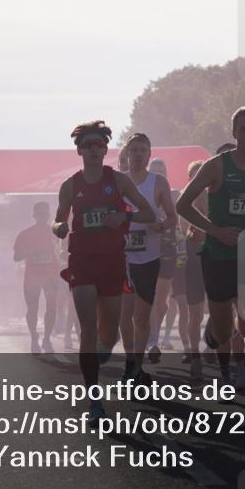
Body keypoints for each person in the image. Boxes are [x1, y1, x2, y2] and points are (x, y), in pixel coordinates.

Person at [176, 107, 245, 410]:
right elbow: (182, 205)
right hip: (219, 256)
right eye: (244, 130)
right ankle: (216, 330)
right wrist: (215, 230)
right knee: (225, 331)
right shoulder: (216, 166)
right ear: (234, 133)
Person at [53, 120, 155, 426]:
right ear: (80, 150)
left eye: (100, 144)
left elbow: (148, 213)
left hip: (112, 261)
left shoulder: (119, 181)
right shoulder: (71, 185)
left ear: (105, 149)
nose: (95, 149)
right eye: (89, 145)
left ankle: (102, 351)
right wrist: (58, 227)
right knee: (88, 329)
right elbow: (58, 220)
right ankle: (94, 399)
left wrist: (122, 216)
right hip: (82, 261)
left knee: (108, 336)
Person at [120, 133, 177, 381]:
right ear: (127, 154)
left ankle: (137, 367)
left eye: (143, 150)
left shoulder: (159, 182)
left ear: (149, 154)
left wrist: (162, 226)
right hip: (121, 258)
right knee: (125, 314)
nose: (139, 154)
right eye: (134, 150)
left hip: (149, 258)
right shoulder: (118, 181)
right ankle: (130, 360)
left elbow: (173, 218)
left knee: (141, 316)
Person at [13, 201, 61, 354]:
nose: (43, 216)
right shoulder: (25, 234)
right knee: (32, 309)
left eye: (45, 214)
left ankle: (47, 339)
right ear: (34, 215)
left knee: (52, 308)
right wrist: (29, 252)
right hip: (32, 277)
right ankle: (34, 338)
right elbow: (16, 257)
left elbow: (62, 252)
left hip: (50, 276)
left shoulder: (55, 233)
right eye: (40, 214)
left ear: (49, 215)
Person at [147, 157, 181, 363]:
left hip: (168, 250)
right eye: (155, 169)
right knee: (150, 299)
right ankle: (152, 340)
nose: (158, 173)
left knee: (160, 302)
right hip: (147, 250)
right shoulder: (143, 193)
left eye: (162, 169)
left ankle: (157, 336)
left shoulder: (174, 194)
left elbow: (179, 221)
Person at [180, 159, 209, 382]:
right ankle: (194, 352)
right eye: (194, 174)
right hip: (193, 260)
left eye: (201, 173)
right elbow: (184, 231)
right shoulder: (185, 199)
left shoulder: (215, 196)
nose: (198, 178)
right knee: (195, 313)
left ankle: (213, 345)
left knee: (223, 309)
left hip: (216, 258)